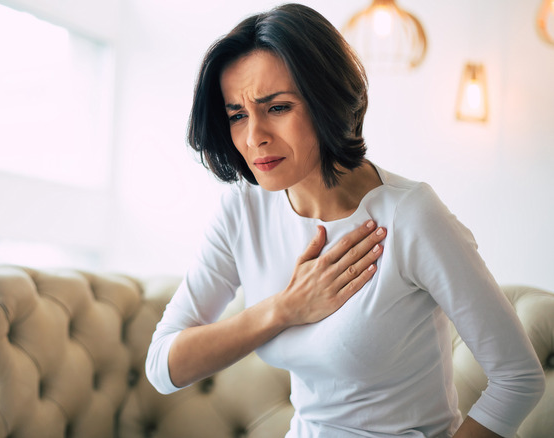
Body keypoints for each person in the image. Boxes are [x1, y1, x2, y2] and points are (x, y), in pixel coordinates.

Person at [145, 4, 545, 438]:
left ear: (326, 102)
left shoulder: (411, 215)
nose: (254, 135)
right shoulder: (244, 210)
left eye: (276, 107)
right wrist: (284, 309)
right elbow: (164, 367)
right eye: (237, 114)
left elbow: (517, 377)